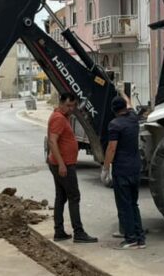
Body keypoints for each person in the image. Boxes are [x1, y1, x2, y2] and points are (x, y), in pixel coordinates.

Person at [47, 92, 98, 243]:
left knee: (61, 197)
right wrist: (62, 164)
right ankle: (79, 232)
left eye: (73, 105)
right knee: (74, 197)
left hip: (60, 163)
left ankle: (59, 231)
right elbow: (52, 141)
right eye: (68, 105)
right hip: (64, 165)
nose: (71, 108)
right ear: (61, 103)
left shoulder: (62, 116)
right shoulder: (58, 118)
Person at [103, 93, 145, 249]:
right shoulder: (134, 118)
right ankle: (140, 238)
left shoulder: (115, 125)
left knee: (124, 205)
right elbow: (129, 104)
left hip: (122, 170)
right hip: (135, 168)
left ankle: (131, 238)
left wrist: (106, 168)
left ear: (114, 109)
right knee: (134, 204)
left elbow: (111, 148)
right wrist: (122, 92)